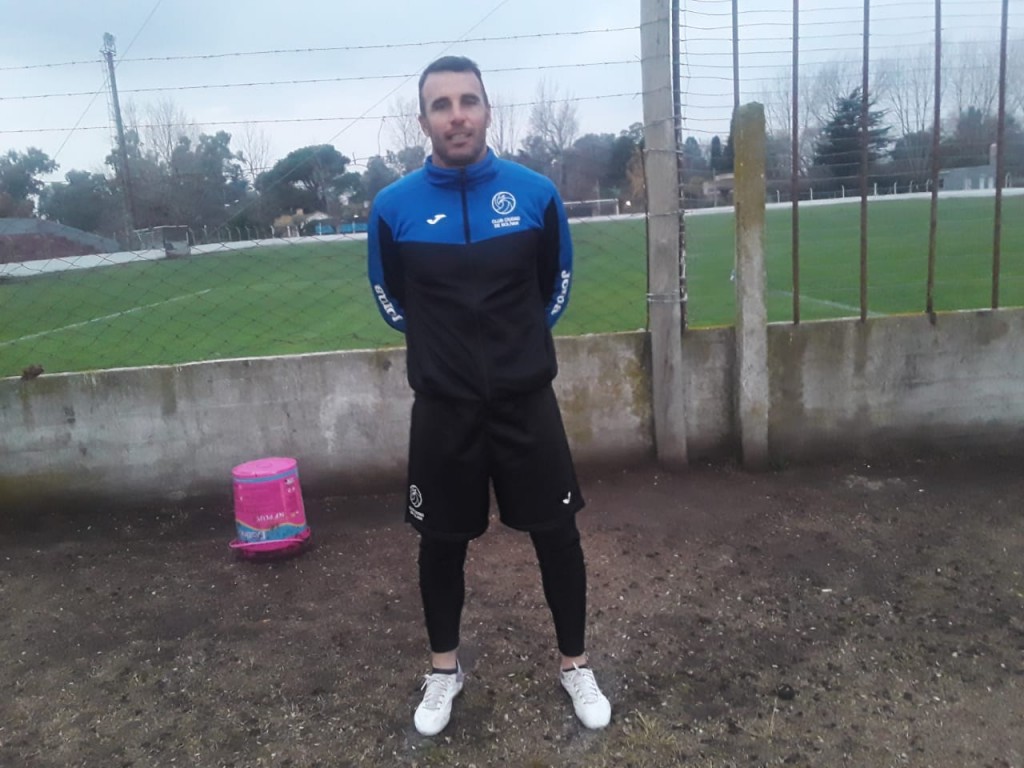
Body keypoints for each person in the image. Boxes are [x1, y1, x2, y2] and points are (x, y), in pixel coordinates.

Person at [367, 55, 611, 737]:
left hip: (525, 402)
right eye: (441, 105)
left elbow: (555, 286)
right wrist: (445, 353)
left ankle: (575, 665)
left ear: (487, 110)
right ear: (424, 121)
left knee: (557, 535)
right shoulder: (393, 208)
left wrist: (515, 350)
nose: (457, 116)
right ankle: (444, 671)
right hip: (443, 409)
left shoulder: (535, 195)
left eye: (468, 101)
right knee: (441, 543)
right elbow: (391, 297)